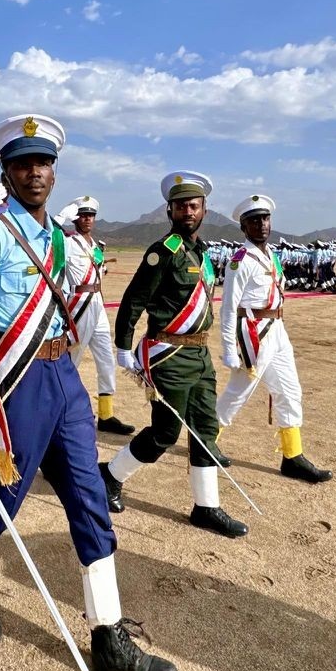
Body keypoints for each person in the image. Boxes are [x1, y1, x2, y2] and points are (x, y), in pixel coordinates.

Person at [0, 115, 178, 671]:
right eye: (22, 163)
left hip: (64, 375)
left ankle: (109, 637)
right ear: (6, 170)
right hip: (15, 380)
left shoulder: (55, 238)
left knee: (90, 496)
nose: (35, 172)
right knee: (5, 495)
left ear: (54, 169)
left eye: (43, 163)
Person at [99, 171, 248, 539]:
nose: (187, 211)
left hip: (200, 356)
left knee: (205, 430)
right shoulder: (161, 253)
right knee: (165, 433)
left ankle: (206, 507)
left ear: (203, 210)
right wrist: (122, 346)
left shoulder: (203, 253)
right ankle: (110, 476)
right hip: (169, 355)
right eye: (180, 206)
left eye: (193, 206)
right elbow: (134, 300)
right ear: (170, 210)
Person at [215, 196, 331, 483]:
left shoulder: (270, 255)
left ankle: (292, 456)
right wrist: (229, 347)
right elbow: (229, 306)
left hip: (277, 329)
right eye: (254, 220)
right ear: (243, 227)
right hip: (254, 332)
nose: (261, 225)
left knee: (290, 390)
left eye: (265, 219)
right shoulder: (240, 260)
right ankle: (205, 442)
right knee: (238, 393)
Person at [55, 195, 135, 435]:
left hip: (97, 302)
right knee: (73, 359)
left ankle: (106, 414)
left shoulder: (94, 245)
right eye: (82, 215)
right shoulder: (67, 241)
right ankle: (61, 411)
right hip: (79, 303)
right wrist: (61, 216)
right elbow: (46, 235)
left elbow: (100, 271)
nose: (87, 219)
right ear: (75, 218)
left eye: (91, 215)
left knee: (106, 359)